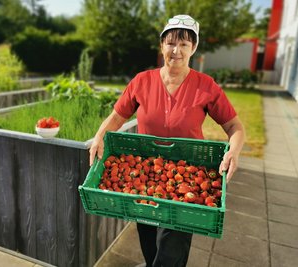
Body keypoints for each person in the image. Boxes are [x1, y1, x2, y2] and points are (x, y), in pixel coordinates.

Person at [89, 14, 246, 267]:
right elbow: (117, 117)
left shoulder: (206, 86)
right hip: (145, 173)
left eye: (184, 44)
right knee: (148, 237)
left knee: (172, 248)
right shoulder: (142, 81)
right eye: (171, 43)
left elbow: (234, 126)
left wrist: (234, 151)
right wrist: (99, 136)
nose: (177, 50)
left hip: (189, 175)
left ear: (193, 48)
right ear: (161, 45)